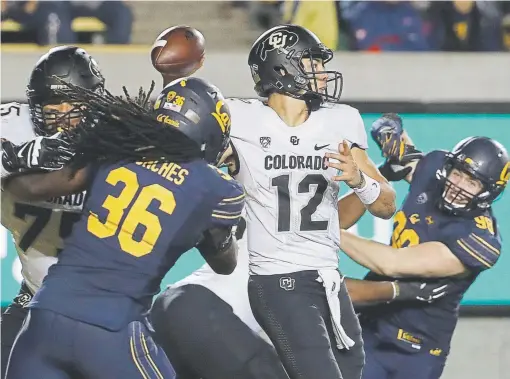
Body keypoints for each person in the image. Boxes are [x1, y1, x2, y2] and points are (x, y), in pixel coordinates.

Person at [3, 77, 244, 379]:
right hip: (110, 329)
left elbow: (35, 188)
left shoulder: (117, 149)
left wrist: (7, 167)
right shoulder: (216, 188)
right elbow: (225, 263)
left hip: (45, 316)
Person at [221, 24, 397, 379]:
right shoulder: (237, 119)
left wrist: (358, 180)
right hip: (277, 277)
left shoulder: (340, 120)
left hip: (328, 277)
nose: (321, 72)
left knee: (351, 371)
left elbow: (386, 204)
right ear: (281, 68)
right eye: (311, 63)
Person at [334, 114, 508, 379]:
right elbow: (391, 137)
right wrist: (389, 130)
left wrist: (325, 229)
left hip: (418, 350)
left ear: (487, 193)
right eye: (458, 173)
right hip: (371, 325)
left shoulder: (479, 241)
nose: (458, 185)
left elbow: (390, 262)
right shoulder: (435, 169)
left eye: (471, 182)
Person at [0, 45, 104, 377]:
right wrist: (16, 156)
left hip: (108, 307)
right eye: (52, 104)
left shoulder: (120, 137)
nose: (63, 113)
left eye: (73, 103)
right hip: (34, 300)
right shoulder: (16, 127)